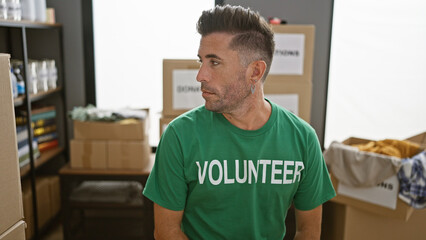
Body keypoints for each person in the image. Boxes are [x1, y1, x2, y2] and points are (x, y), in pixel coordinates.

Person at [143, 5, 336, 240]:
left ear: (255, 71)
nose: (200, 75)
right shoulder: (179, 136)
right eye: (201, 61)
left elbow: (308, 231)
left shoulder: (303, 138)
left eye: (214, 63)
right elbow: (167, 232)